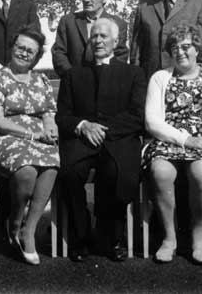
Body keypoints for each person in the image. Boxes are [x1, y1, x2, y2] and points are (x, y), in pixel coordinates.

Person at [56, 18, 146, 262]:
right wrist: (84, 126)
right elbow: (63, 116)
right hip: (82, 140)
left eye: (103, 36)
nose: (97, 40)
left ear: (116, 42)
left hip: (118, 139)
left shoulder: (133, 73)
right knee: (70, 172)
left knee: (115, 172)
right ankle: (80, 236)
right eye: (94, 36)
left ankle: (111, 237)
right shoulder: (74, 74)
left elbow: (138, 115)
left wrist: (105, 130)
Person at [143, 24, 202, 264]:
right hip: (169, 140)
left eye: (186, 46)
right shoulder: (160, 78)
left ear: (197, 49)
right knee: (160, 172)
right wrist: (187, 140)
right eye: (175, 47)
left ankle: (197, 237)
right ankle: (169, 238)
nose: (180, 52)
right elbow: (152, 122)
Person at [0, 26, 59, 266]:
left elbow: (48, 112)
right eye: (20, 47)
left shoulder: (41, 80)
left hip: (38, 138)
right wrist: (32, 135)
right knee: (27, 169)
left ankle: (28, 230)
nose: (24, 53)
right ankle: (14, 221)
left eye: (30, 51)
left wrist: (50, 128)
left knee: (52, 164)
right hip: (2, 137)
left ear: (36, 56)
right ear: (12, 48)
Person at [52, 0, 128, 77]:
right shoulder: (68, 22)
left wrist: (105, 78)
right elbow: (59, 53)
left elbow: (120, 56)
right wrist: (71, 77)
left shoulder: (118, 24)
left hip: (105, 81)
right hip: (72, 81)